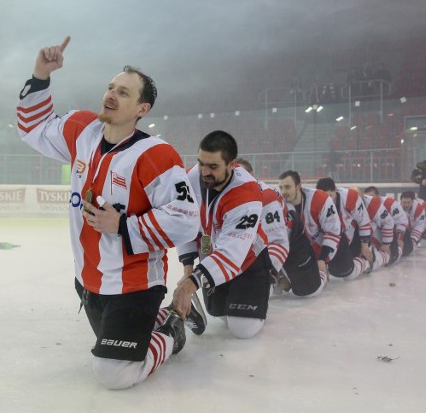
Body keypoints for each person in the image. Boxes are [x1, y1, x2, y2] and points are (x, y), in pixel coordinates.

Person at [16, 36, 202, 389]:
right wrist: (41, 75)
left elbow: (185, 218)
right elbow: (33, 128)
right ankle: (158, 319)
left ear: (141, 109)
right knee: (116, 350)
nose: (111, 95)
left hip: (135, 283)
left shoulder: (156, 155)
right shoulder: (81, 130)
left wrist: (124, 226)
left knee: (114, 372)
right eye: (110, 87)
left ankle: (172, 332)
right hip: (88, 282)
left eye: (124, 92)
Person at [171, 131, 272, 339]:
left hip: (248, 262)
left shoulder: (246, 194)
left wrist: (191, 284)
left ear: (231, 164)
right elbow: (186, 222)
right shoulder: (191, 177)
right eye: (201, 163)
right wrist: (188, 270)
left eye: (213, 166)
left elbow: (232, 253)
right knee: (217, 311)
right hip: (214, 255)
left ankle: (262, 290)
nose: (204, 172)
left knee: (241, 329)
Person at [277, 170, 339, 297]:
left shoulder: (320, 199)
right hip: (301, 249)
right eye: (281, 187)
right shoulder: (279, 204)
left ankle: (321, 274)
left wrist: (322, 259)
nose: (283, 192)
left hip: (322, 248)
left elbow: (333, 231)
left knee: (310, 290)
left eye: (287, 187)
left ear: (298, 186)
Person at [234, 158, 290, 292]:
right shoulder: (225, 195)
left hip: (275, 233)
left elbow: (279, 241)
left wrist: (268, 269)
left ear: (252, 176)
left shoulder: (267, 196)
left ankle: (273, 272)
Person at [316, 177, 373, 279]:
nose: (327, 201)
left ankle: (364, 262)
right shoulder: (315, 202)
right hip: (329, 237)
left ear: (335, 191)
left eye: (330, 196)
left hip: (350, 236)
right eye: (324, 197)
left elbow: (364, 221)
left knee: (347, 273)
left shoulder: (350, 197)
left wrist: (364, 246)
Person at [351, 187, 392, 270]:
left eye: (358, 197)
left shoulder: (373, 203)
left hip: (372, 235)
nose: (357, 201)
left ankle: (381, 257)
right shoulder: (346, 204)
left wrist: (386, 244)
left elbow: (388, 221)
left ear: (363, 195)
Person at [364, 186, 407, 264]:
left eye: (371, 196)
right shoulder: (365, 205)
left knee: (399, 254)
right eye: (367, 197)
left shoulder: (390, 203)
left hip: (394, 232)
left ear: (378, 196)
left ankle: (397, 250)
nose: (369, 199)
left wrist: (399, 239)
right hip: (378, 233)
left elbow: (401, 221)